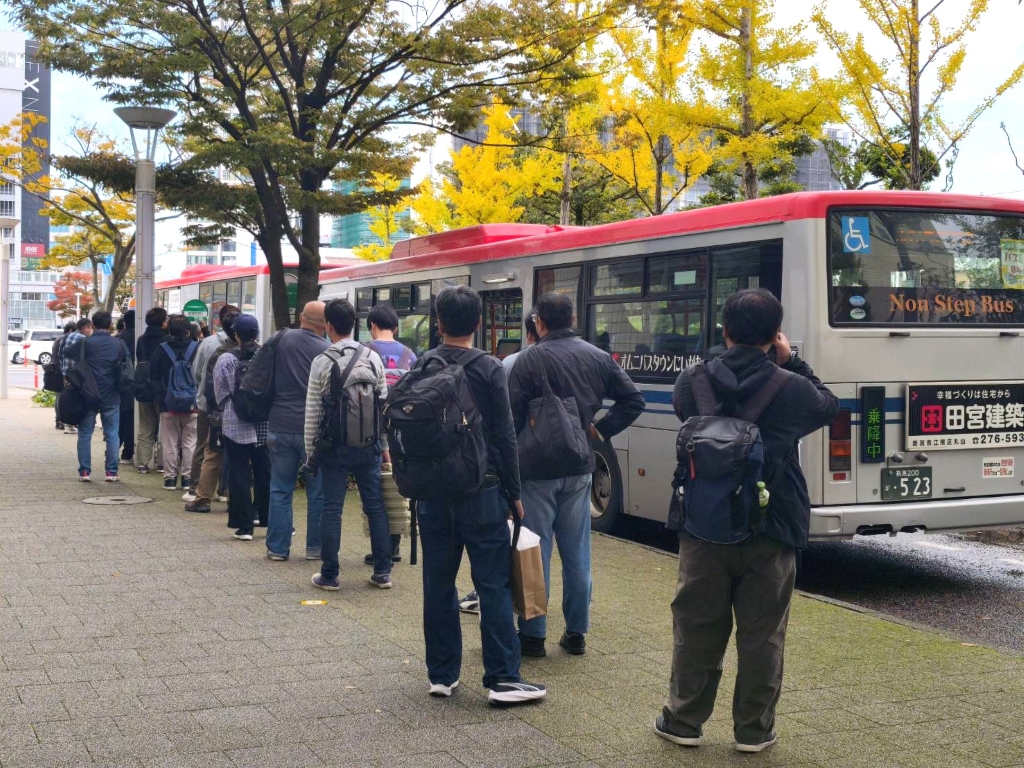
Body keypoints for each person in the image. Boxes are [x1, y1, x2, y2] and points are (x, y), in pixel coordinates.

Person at [656, 288, 838, 754]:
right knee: (762, 635)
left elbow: (687, 419)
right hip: (771, 525)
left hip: (704, 525)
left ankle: (683, 721)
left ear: (725, 331)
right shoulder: (791, 387)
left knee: (696, 626)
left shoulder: (691, 382)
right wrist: (792, 361)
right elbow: (827, 406)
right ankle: (753, 732)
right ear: (774, 335)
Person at [413, 285, 546, 705]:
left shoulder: (423, 364)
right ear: (477, 324)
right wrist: (514, 491)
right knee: (492, 584)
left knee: (438, 581)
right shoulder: (489, 368)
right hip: (482, 489)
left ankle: (442, 674)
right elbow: (505, 436)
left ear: (438, 322)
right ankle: (503, 678)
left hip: (432, 492)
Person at [507, 292, 644, 658]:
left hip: (535, 471)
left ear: (539, 322)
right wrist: (599, 430)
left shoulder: (528, 359)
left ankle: (533, 635)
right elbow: (635, 401)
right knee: (577, 552)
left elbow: (510, 419)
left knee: (536, 550)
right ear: (572, 319)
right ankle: (576, 633)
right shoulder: (598, 357)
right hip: (581, 464)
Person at [304, 298, 393, 590]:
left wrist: (310, 455)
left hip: (333, 448)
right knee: (375, 506)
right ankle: (382, 572)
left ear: (328, 326)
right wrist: (383, 448)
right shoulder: (373, 358)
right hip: (368, 446)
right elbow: (383, 407)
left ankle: (330, 574)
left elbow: (313, 413)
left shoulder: (322, 362)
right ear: (354, 324)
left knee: (332, 508)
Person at [265, 301, 329, 562]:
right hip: (313, 429)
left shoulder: (279, 340)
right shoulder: (327, 350)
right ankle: (315, 549)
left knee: (280, 488)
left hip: (279, 423)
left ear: (301, 317)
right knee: (318, 491)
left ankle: (278, 549)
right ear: (326, 325)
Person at [361, 302, 417, 566]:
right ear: (395, 327)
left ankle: (382, 546)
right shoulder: (410, 355)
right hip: (403, 431)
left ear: (372, 326)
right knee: (397, 489)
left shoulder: (365, 352)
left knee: (375, 490)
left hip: (372, 430)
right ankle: (394, 543)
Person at [212, 313, 270, 541]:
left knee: (239, 472)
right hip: (264, 422)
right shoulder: (267, 355)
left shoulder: (226, 359)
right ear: (256, 333)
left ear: (235, 335)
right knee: (265, 471)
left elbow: (220, 393)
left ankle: (244, 525)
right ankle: (267, 517)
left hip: (235, 421)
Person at [184, 305, 240, 512]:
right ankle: (227, 494)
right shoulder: (257, 351)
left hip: (211, 408)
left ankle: (199, 493)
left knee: (208, 449)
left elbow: (198, 375)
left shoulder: (209, 345)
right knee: (237, 455)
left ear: (219, 322)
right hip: (242, 413)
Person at [67, 311, 131, 482]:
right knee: (112, 433)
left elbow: (68, 354)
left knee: (85, 433)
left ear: (93, 325)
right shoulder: (118, 344)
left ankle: (85, 472)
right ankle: (111, 472)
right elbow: (127, 365)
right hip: (111, 394)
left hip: (87, 394)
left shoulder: (84, 343)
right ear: (110, 325)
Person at [148, 314, 200, 492]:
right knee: (190, 441)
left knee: (169, 441)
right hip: (193, 402)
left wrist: (162, 395)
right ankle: (188, 478)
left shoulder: (161, 349)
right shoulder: (196, 348)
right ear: (188, 330)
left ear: (169, 329)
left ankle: (170, 479)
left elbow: (153, 375)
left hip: (167, 402)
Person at [135, 307, 169, 474]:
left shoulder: (141, 339)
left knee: (146, 425)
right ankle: (162, 463)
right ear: (163, 322)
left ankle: (142, 462)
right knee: (164, 426)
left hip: (143, 385)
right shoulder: (167, 340)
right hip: (162, 387)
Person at [59, 318, 94, 435]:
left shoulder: (66, 337)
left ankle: (67, 424)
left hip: (66, 372)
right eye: (90, 328)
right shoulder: (83, 340)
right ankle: (75, 422)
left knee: (68, 398)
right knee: (78, 399)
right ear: (86, 328)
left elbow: (61, 354)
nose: (91, 330)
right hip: (77, 374)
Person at [116, 309, 136, 466]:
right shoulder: (140, 338)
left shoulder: (118, 339)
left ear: (124, 323)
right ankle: (129, 452)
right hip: (140, 383)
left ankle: (115, 450)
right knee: (133, 419)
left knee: (121, 418)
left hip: (120, 384)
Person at [51, 321, 77, 431]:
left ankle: (59, 421)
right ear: (71, 330)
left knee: (59, 397)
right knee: (66, 397)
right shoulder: (68, 339)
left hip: (56, 371)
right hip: (65, 372)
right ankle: (66, 421)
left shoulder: (57, 339)